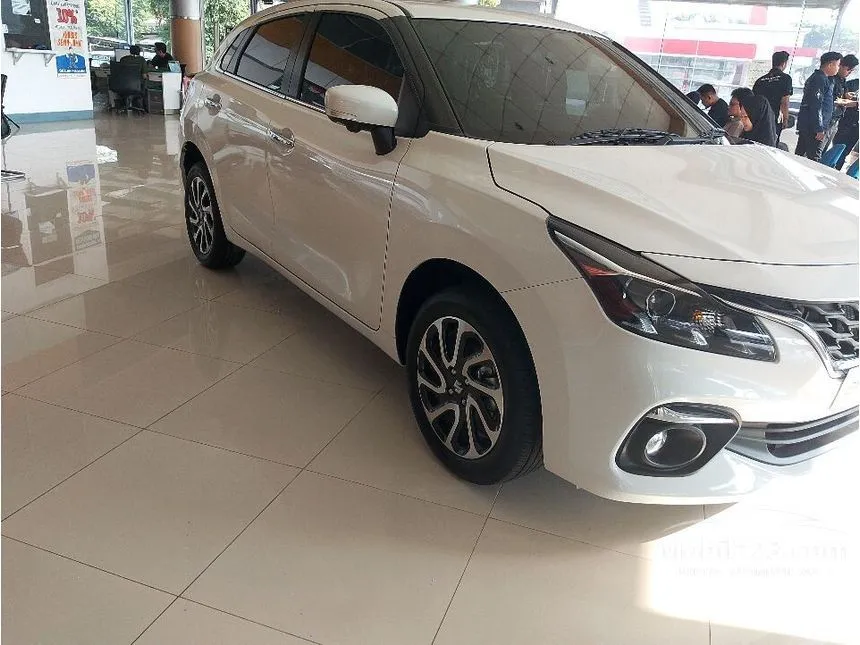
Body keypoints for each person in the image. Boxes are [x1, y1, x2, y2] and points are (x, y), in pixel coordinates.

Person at [796, 51, 842, 162]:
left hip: (811, 125)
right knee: (813, 158)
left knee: (801, 155)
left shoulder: (822, 79)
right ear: (830, 64)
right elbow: (816, 105)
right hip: (812, 128)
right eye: (837, 65)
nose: (838, 68)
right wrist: (819, 128)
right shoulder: (819, 79)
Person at [752, 51, 792, 138]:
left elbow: (754, 100)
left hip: (757, 118)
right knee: (770, 142)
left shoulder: (760, 80)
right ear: (784, 63)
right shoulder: (785, 78)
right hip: (773, 119)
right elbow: (785, 102)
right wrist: (785, 119)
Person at [824, 54, 858, 152]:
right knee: (817, 149)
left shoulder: (843, 80)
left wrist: (848, 96)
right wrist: (855, 103)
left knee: (824, 148)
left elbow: (843, 95)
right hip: (828, 119)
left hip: (836, 120)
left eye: (852, 71)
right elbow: (834, 100)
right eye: (848, 69)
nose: (849, 73)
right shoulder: (831, 79)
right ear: (841, 65)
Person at [831, 74, 858, 169]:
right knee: (838, 147)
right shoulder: (853, 83)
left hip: (856, 127)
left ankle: (836, 168)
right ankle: (832, 166)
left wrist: (856, 104)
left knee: (847, 151)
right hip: (845, 121)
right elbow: (839, 96)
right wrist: (846, 97)